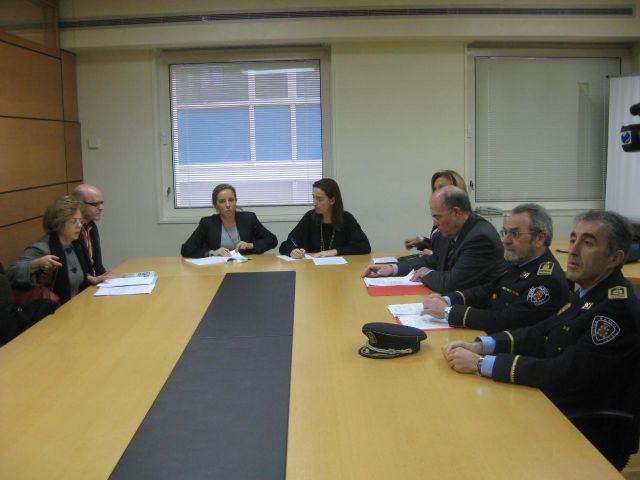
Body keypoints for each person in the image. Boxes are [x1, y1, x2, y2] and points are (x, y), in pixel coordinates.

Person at [441, 210, 640, 470]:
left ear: (615, 258)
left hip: (581, 426)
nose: (573, 250)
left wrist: (481, 364)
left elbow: (563, 372)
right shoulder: (589, 293)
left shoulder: (615, 311)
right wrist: (481, 345)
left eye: (588, 242)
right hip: (550, 402)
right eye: (572, 239)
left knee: (470, 443)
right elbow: (539, 332)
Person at [422, 204, 571, 333]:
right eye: (505, 232)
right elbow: (487, 290)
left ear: (539, 238)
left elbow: (506, 320)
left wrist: (448, 312)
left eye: (515, 233)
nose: (505, 240)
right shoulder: (520, 261)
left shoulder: (547, 281)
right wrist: (448, 299)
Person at [363, 186, 506, 293]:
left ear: (456, 212)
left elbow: (451, 284)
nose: (435, 223)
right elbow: (432, 260)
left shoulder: (480, 238)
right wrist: (392, 268)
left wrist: (427, 273)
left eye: (437, 217)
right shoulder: (452, 230)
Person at [7, 196, 110, 305]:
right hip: (53, 311)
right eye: (74, 221)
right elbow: (10, 274)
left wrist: (90, 278)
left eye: (80, 221)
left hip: (78, 308)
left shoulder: (76, 245)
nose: (80, 225)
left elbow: (73, 273)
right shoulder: (43, 248)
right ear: (59, 224)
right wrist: (37, 264)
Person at [279, 178, 371, 258]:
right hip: (314, 271)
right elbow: (286, 245)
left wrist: (335, 251)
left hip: (341, 272)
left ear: (332, 200)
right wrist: (292, 251)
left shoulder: (347, 218)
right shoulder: (309, 218)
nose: (314, 203)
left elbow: (364, 246)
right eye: (313, 197)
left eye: (319, 199)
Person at [181, 183, 278, 257]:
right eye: (222, 201)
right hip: (217, 269)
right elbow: (186, 249)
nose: (228, 205)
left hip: (247, 267)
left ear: (236, 201)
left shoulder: (249, 218)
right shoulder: (207, 223)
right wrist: (212, 252)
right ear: (215, 205)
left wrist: (250, 245)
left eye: (231, 200)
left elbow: (272, 240)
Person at [405, 169, 467, 253]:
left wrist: (432, 254)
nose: (437, 192)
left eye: (442, 188)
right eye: (435, 189)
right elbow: (440, 246)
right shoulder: (441, 215)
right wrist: (422, 241)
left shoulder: (463, 220)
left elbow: (456, 256)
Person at [72, 183, 110, 277]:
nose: (101, 208)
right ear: (79, 205)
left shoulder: (91, 227)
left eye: (101, 203)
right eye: (95, 204)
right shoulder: (70, 231)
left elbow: (98, 266)